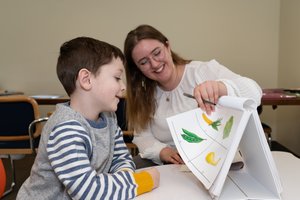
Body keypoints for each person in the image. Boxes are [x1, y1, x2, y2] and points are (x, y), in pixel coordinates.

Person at [17, 37, 159, 200]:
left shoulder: (109, 118)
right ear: (86, 79)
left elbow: (121, 158)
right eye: (117, 77)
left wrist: (123, 178)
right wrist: (143, 181)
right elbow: (88, 192)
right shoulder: (66, 129)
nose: (123, 86)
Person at [123, 24, 262, 168]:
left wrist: (221, 88)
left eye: (157, 53)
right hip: (169, 166)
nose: (154, 63)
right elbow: (142, 136)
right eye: (144, 62)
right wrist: (161, 151)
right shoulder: (143, 93)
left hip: (212, 162)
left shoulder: (202, 71)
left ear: (167, 46)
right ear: (137, 69)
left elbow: (255, 93)